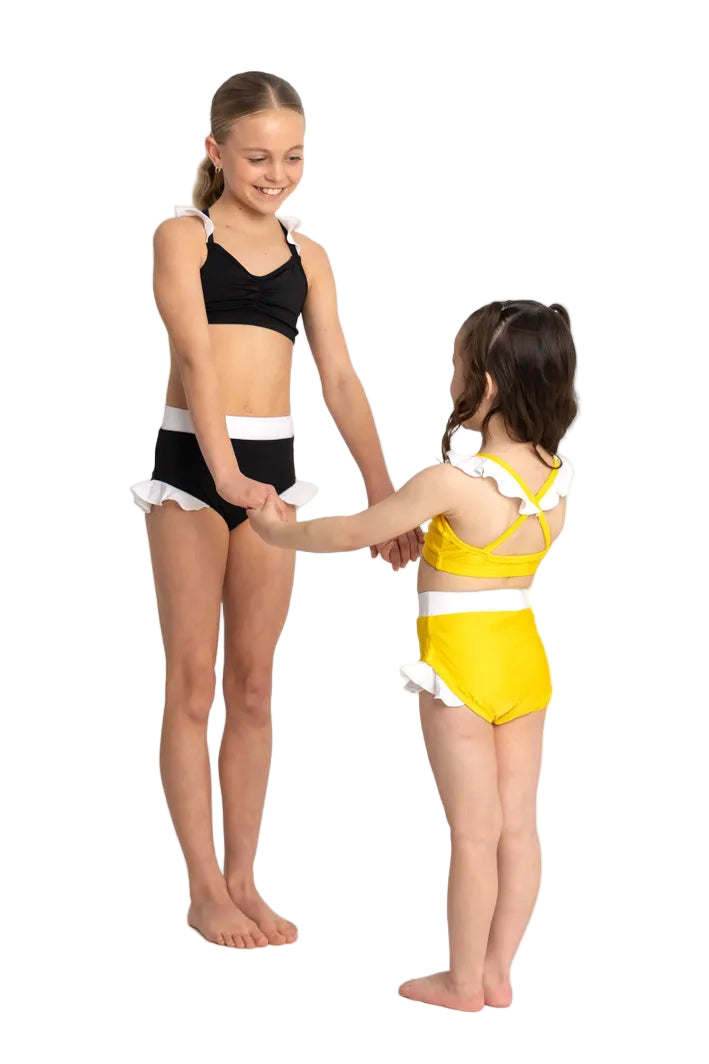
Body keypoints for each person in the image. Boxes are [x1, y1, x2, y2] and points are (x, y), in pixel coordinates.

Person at [130, 71, 422, 949]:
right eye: (258, 156)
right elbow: (195, 358)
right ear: (215, 151)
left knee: (253, 685)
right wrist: (223, 474)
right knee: (193, 682)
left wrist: (384, 496)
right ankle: (202, 889)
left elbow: (339, 379)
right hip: (195, 467)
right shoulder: (182, 236)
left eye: (293, 157)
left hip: (273, 473)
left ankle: (244, 878)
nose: (277, 173)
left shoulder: (309, 256)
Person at [247, 300, 577, 1008]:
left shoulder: (452, 482)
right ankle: (496, 973)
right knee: (517, 828)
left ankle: (461, 982)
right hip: (524, 664)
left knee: (472, 833)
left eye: (458, 364)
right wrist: (437, 544)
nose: (451, 376)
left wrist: (277, 533)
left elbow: (352, 531)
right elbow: (487, 556)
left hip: (460, 671)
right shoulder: (555, 482)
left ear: (486, 383)